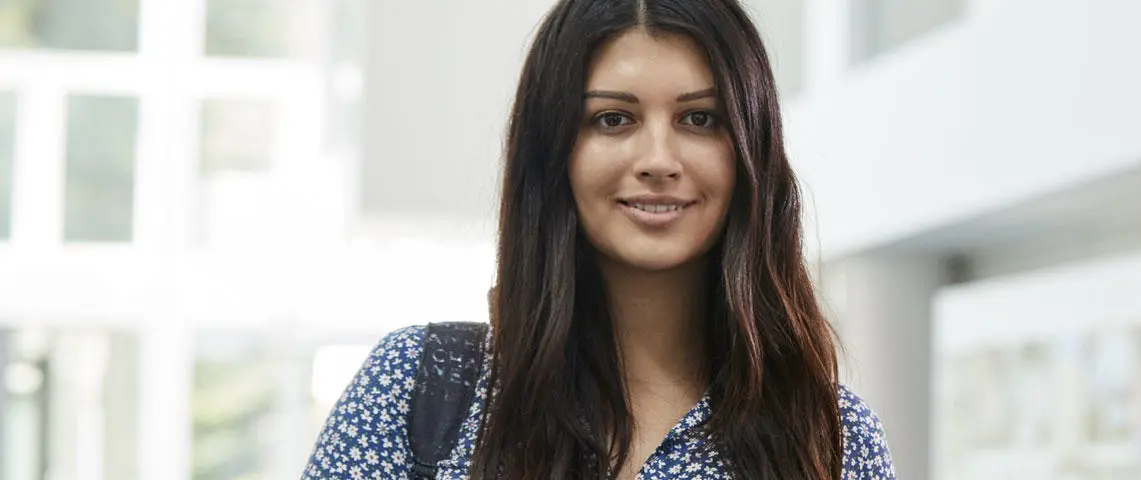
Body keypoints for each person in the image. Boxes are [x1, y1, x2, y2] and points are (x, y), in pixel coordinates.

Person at [300, 0, 895, 478]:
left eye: (700, 119)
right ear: (554, 152)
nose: (658, 159)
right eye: (614, 119)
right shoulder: (418, 393)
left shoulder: (835, 441)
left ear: (750, 155)